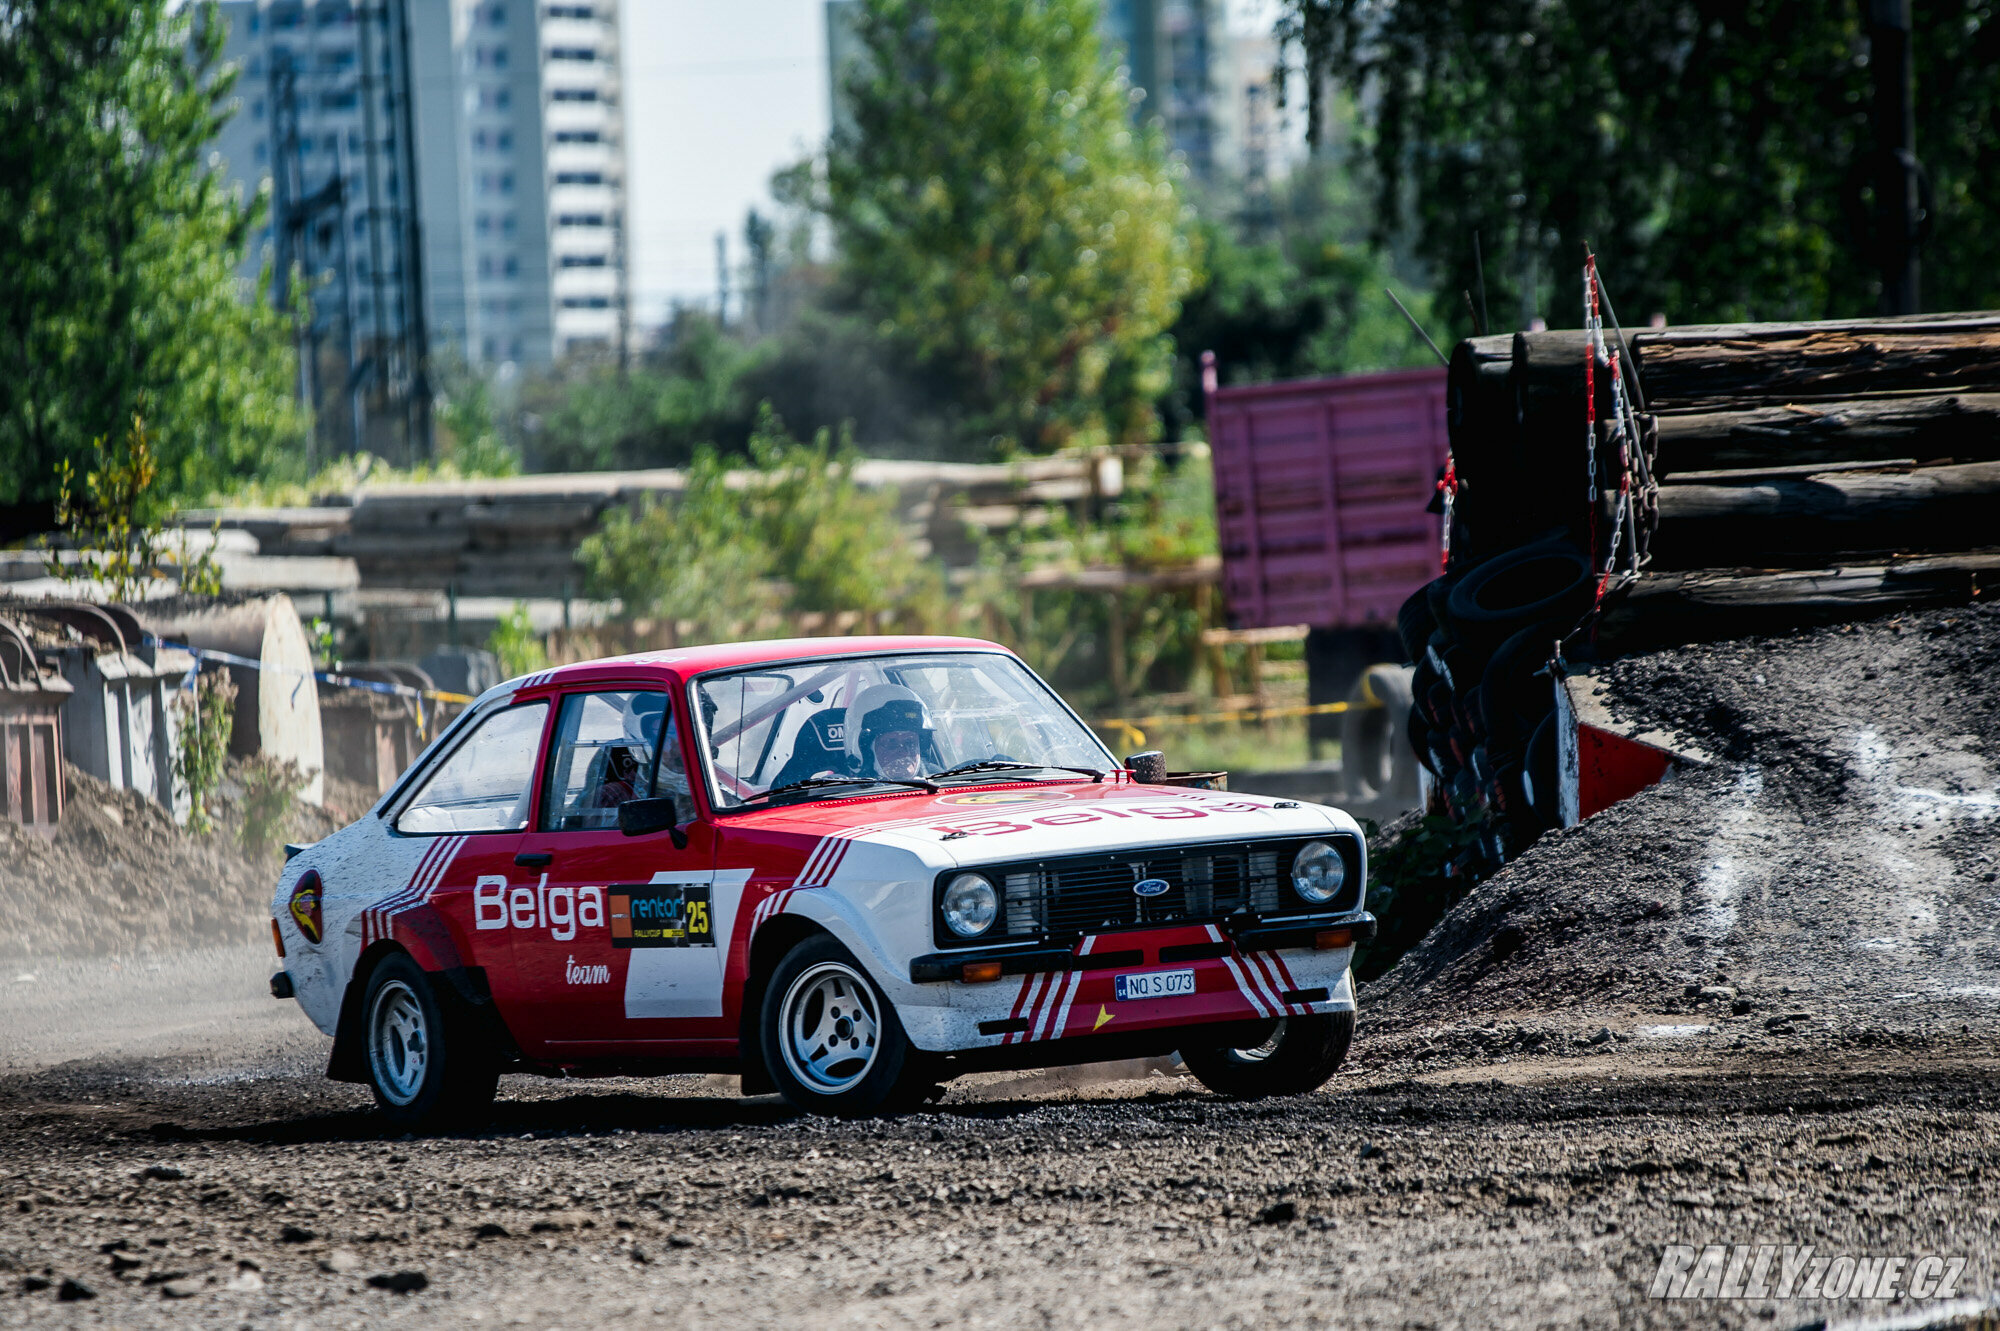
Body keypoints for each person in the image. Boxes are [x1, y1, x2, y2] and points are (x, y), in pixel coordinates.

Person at [845, 684, 933, 782]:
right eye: (891, 743)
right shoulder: (838, 792)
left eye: (910, 743)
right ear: (863, 749)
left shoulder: (939, 782)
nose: (904, 752)